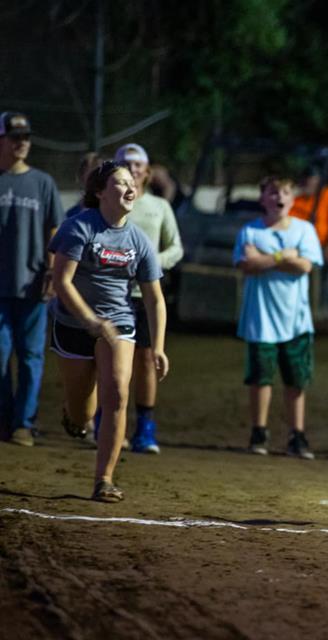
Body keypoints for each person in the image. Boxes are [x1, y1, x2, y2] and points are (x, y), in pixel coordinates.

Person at [48, 161, 168, 502]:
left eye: (132, 182)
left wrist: (157, 347)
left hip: (117, 324)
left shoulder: (139, 241)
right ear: (100, 192)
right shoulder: (79, 227)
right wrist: (88, 319)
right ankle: (74, 416)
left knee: (116, 393)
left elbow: (154, 299)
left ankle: (105, 479)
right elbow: (61, 282)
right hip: (72, 323)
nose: (130, 187)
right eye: (120, 183)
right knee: (81, 412)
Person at [234, 176, 323, 460]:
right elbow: (247, 265)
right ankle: (259, 432)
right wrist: (284, 255)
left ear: (293, 199)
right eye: (273, 192)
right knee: (260, 378)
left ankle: (297, 435)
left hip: (296, 320)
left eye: (285, 192)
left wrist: (266, 259)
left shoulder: (305, 229)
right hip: (260, 320)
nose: (279, 197)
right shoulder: (249, 231)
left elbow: (305, 266)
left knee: (296, 380)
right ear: (263, 198)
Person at [105, 143, 183, 453]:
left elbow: (175, 248)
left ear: (147, 172)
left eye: (138, 165)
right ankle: (108, 423)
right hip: (113, 296)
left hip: (145, 295)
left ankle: (145, 428)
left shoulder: (160, 207)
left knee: (148, 359)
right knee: (111, 362)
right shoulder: (109, 204)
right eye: (126, 164)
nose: (133, 169)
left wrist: (151, 265)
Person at [0, 112, 65, 447]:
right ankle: (4, 419)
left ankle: (24, 422)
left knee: (30, 357)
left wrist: (53, 270)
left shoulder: (42, 183)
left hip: (32, 285)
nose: (21, 143)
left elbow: (54, 229)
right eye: (14, 137)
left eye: (25, 137)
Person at [290, 165, 328, 263]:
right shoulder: (296, 201)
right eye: (304, 179)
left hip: (325, 246)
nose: (307, 182)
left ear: (319, 181)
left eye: (311, 179)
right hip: (303, 248)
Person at [64, 152, 104, 218]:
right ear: (81, 178)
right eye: (91, 176)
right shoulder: (71, 215)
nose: (95, 181)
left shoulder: (113, 211)